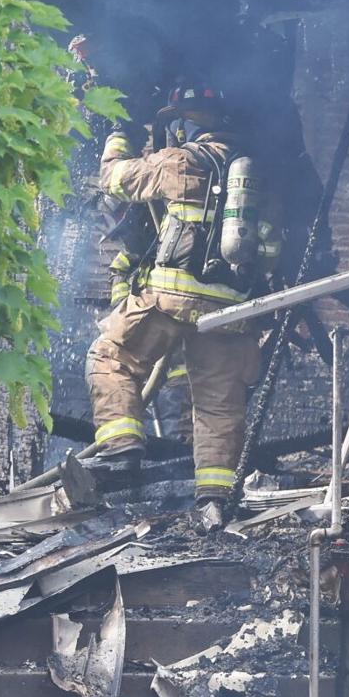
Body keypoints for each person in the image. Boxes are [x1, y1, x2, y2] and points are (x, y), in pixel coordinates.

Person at [83, 83, 282, 529]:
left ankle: (121, 449)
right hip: (233, 312)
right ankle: (214, 498)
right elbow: (270, 253)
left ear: (184, 125)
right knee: (219, 406)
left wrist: (119, 134)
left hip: (171, 299)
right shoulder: (260, 178)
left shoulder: (180, 161)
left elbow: (114, 179)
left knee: (110, 357)